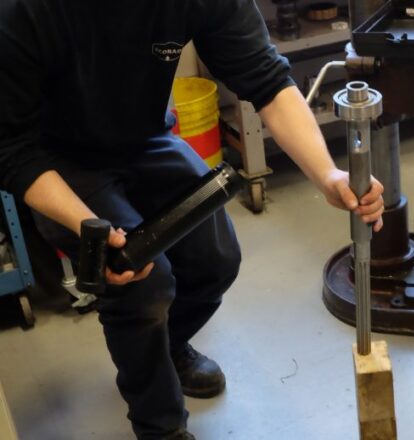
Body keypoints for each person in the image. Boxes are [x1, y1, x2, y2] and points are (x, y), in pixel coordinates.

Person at [0, 1, 385, 439]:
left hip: (144, 138)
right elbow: (12, 150)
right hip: (59, 162)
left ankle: (166, 348)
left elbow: (267, 80)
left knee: (215, 258)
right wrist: (91, 230)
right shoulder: (23, 11)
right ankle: (159, 427)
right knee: (142, 284)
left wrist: (327, 174)